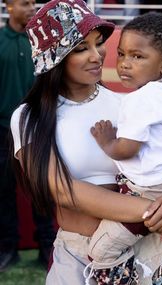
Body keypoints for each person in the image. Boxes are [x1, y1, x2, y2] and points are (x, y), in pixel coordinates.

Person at [10, 0, 162, 284]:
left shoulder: (129, 104)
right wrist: (159, 213)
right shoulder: (29, 118)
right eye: (80, 48)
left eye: (99, 43)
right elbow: (64, 191)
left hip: (149, 251)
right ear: (53, 58)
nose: (97, 55)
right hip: (79, 256)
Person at [89, 11, 162, 284]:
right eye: (122, 53)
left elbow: (127, 149)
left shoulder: (140, 99)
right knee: (159, 230)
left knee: (100, 250)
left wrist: (107, 142)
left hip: (151, 191)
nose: (125, 64)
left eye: (138, 57)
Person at [0, 0, 56, 272]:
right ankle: (7, 248)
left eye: (34, 3)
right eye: (24, 4)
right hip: (1, 131)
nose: (32, 8)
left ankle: (47, 248)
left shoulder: (42, 41)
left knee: (42, 190)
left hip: (38, 128)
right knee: (3, 192)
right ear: (9, 7)